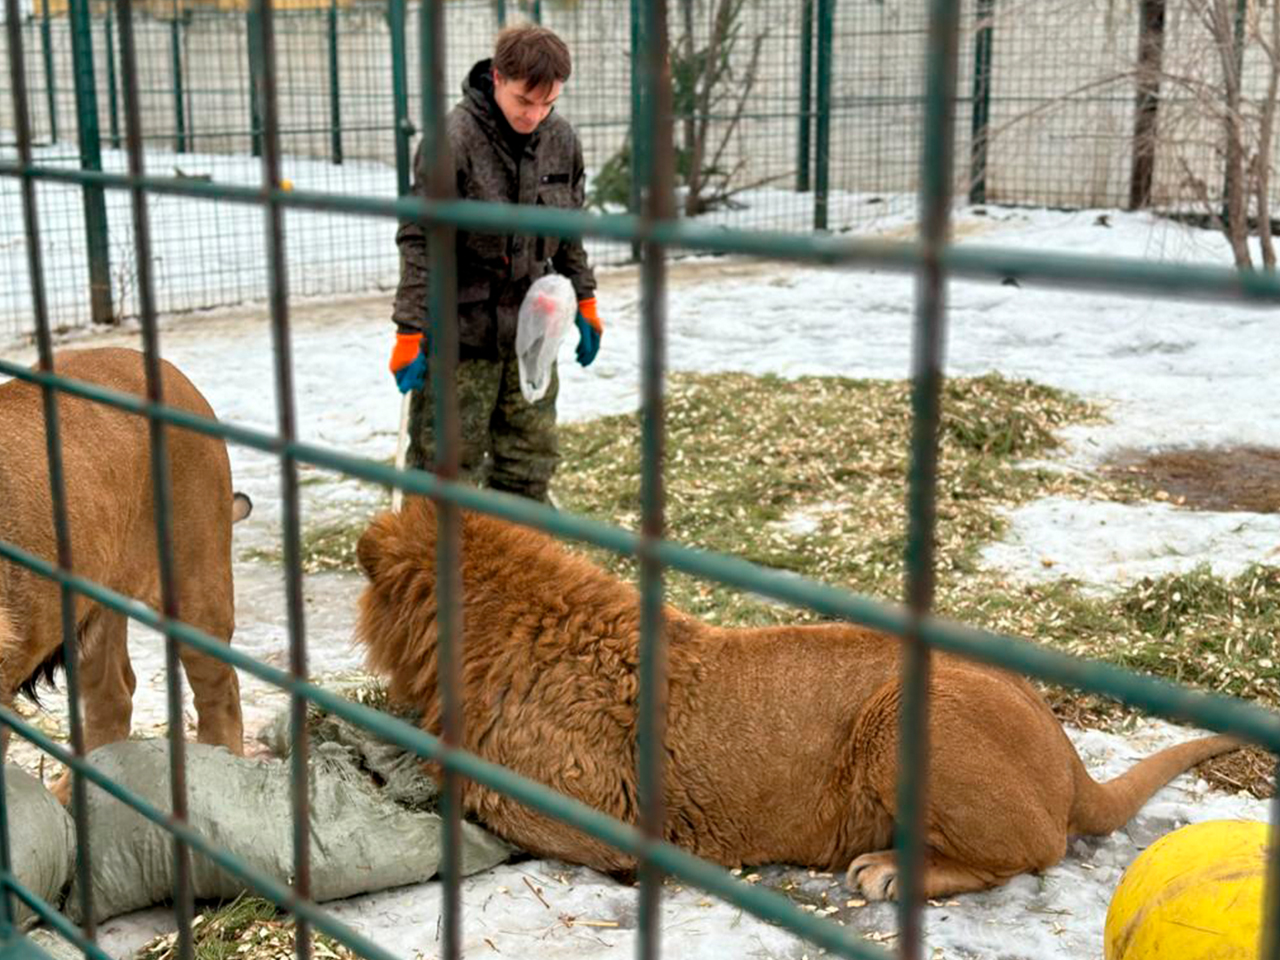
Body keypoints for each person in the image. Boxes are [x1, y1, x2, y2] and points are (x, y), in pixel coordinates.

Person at [388, 23, 602, 505]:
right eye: (526, 101)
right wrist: (410, 329)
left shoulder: (561, 140)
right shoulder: (454, 140)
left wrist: (585, 299)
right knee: (448, 467)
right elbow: (420, 239)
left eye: (548, 104)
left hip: (532, 333)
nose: (535, 115)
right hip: (462, 336)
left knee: (529, 461)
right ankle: (440, 572)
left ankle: (516, 569)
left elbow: (569, 231)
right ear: (499, 77)